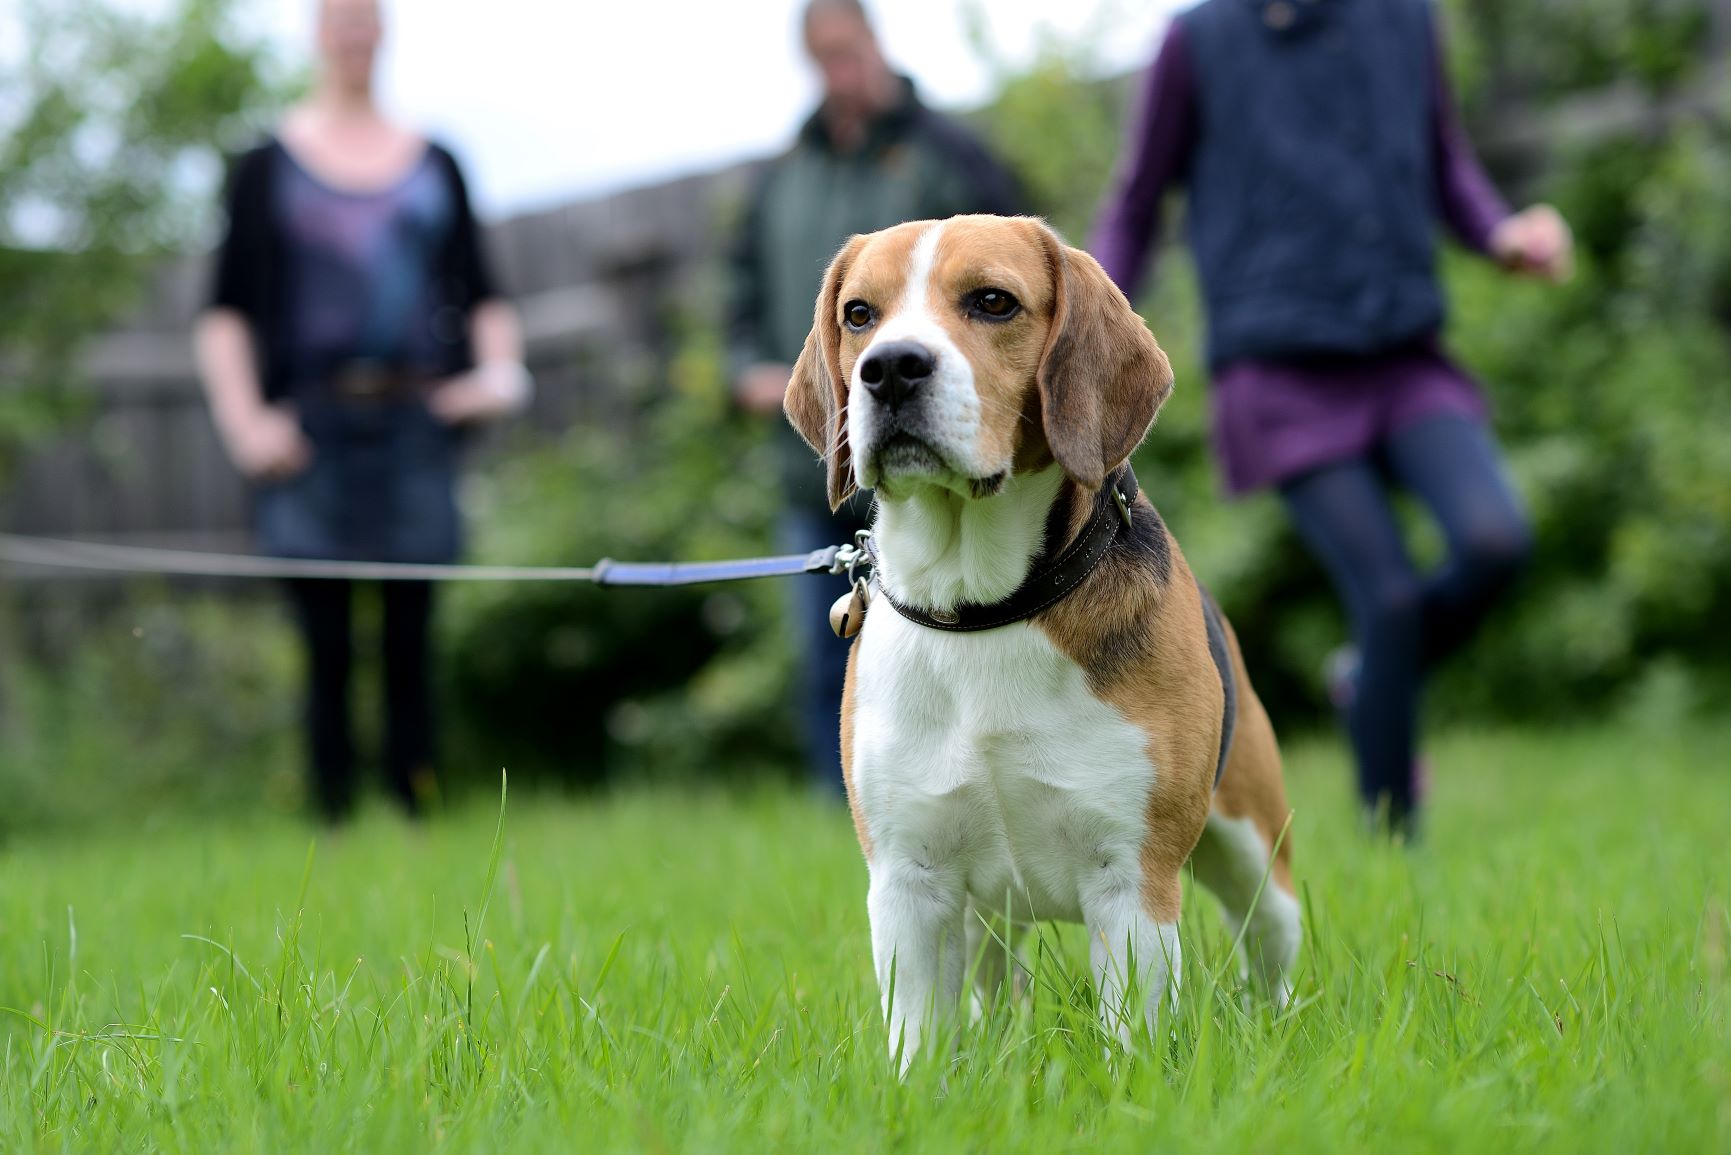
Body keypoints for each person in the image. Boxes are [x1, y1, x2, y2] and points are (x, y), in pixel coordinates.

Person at [1090, 0, 1573, 838]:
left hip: (1401, 351)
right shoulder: (1197, 43)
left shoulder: (1403, 19)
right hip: (1277, 372)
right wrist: (1087, 326)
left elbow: (1443, 161)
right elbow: (1138, 201)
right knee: (1384, 596)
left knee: (1496, 539)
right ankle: (1395, 835)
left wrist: (1500, 232)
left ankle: (1369, 680)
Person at [195, 0, 528, 822]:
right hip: (307, 432)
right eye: (338, 17)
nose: (352, 31)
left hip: (416, 426)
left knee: (412, 636)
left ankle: (417, 819)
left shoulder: (436, 162)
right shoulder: (262, 165)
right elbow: (225, 313)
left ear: (382, 31)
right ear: (317, 31)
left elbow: (483, 293)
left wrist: (498, 374)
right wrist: (246, 423)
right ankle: (331, 826)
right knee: (326, 642)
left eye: (365, 16)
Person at [729, 0, 1022, 794]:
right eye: (821, 56)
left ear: (875, 41)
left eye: (848, 51)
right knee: (830, 653)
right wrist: (747, 366)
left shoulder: (947, 152)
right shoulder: (781, 174)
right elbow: (739, 289)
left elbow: (1023, 279)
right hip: (829, 453)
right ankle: (857, 818)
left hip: (959, 446)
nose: (839, 71)